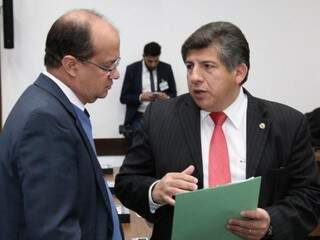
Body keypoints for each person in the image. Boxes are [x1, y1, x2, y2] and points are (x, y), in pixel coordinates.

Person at [115, 21, 320, 240]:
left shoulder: (287, 124)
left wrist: (271, 221)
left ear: (239, 72)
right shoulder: (159, 117)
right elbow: (127, 182)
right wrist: (155, 190)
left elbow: (309, 197)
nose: (194, 77)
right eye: (189, 66)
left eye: (208, 66)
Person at [0, 9, 123, 240]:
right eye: (108, 66)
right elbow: (54, 231)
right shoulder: (45, 120)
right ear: (71, 65)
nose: (115, 75)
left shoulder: (52, 105)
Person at [119, 42, 177, 140]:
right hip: (139, 117)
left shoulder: (166, 68)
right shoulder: (132, 69)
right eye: (150, 61)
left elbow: (174, 94)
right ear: (144, 57)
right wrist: (141, 97)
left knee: (164, 143)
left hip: (161, 115)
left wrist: (166, 98)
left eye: (156, 61)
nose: (153, 64)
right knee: (141, 143)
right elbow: (123, 98)